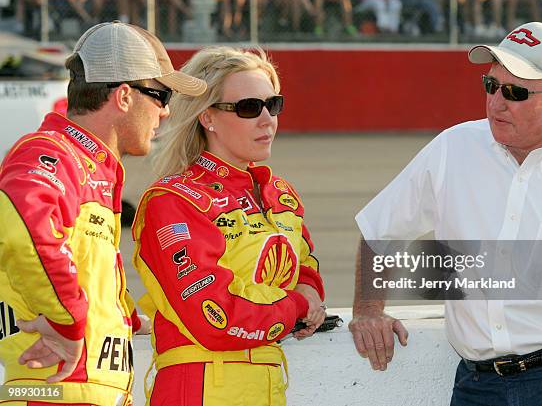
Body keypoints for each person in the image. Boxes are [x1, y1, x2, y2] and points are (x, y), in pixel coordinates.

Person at [350, 21, 542, 405]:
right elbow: (380, 229)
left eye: (515, 91)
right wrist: (369, 309)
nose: (496, 102)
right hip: (477, 386)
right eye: (490, 85)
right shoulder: (453, 148)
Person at [0, 21, 206, 405]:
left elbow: (81, 266)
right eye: (160, 96)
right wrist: (68, 322)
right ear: (124, 96)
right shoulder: (52, 153)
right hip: (55, 393)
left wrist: (122, 316)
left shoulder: (90, 166)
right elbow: (26, 230)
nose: (165, 113)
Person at [131, 46, 326, 406]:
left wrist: (307, 291)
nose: (267, 120)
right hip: (198, 387)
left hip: (268, 385)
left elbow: (305, 268)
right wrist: (297, 305)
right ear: (207, 118)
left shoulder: (280, 194)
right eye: (249, 108)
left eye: (274, 105)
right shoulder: (175, 200)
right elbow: (216, 318)